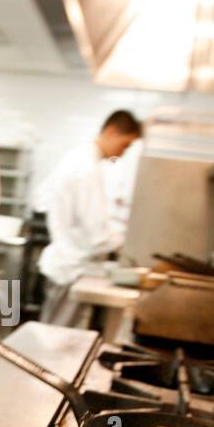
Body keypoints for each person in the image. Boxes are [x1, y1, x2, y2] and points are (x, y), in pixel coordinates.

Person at [35, 110, 142, 326]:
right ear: (111, 131)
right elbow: (97, 233)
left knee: (54, 331)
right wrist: (128, 242)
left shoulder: (82, 159)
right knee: (56, 335)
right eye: (125, 144)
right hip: (71, 266)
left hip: (68, 264)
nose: (123, 153)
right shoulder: (85, 168)